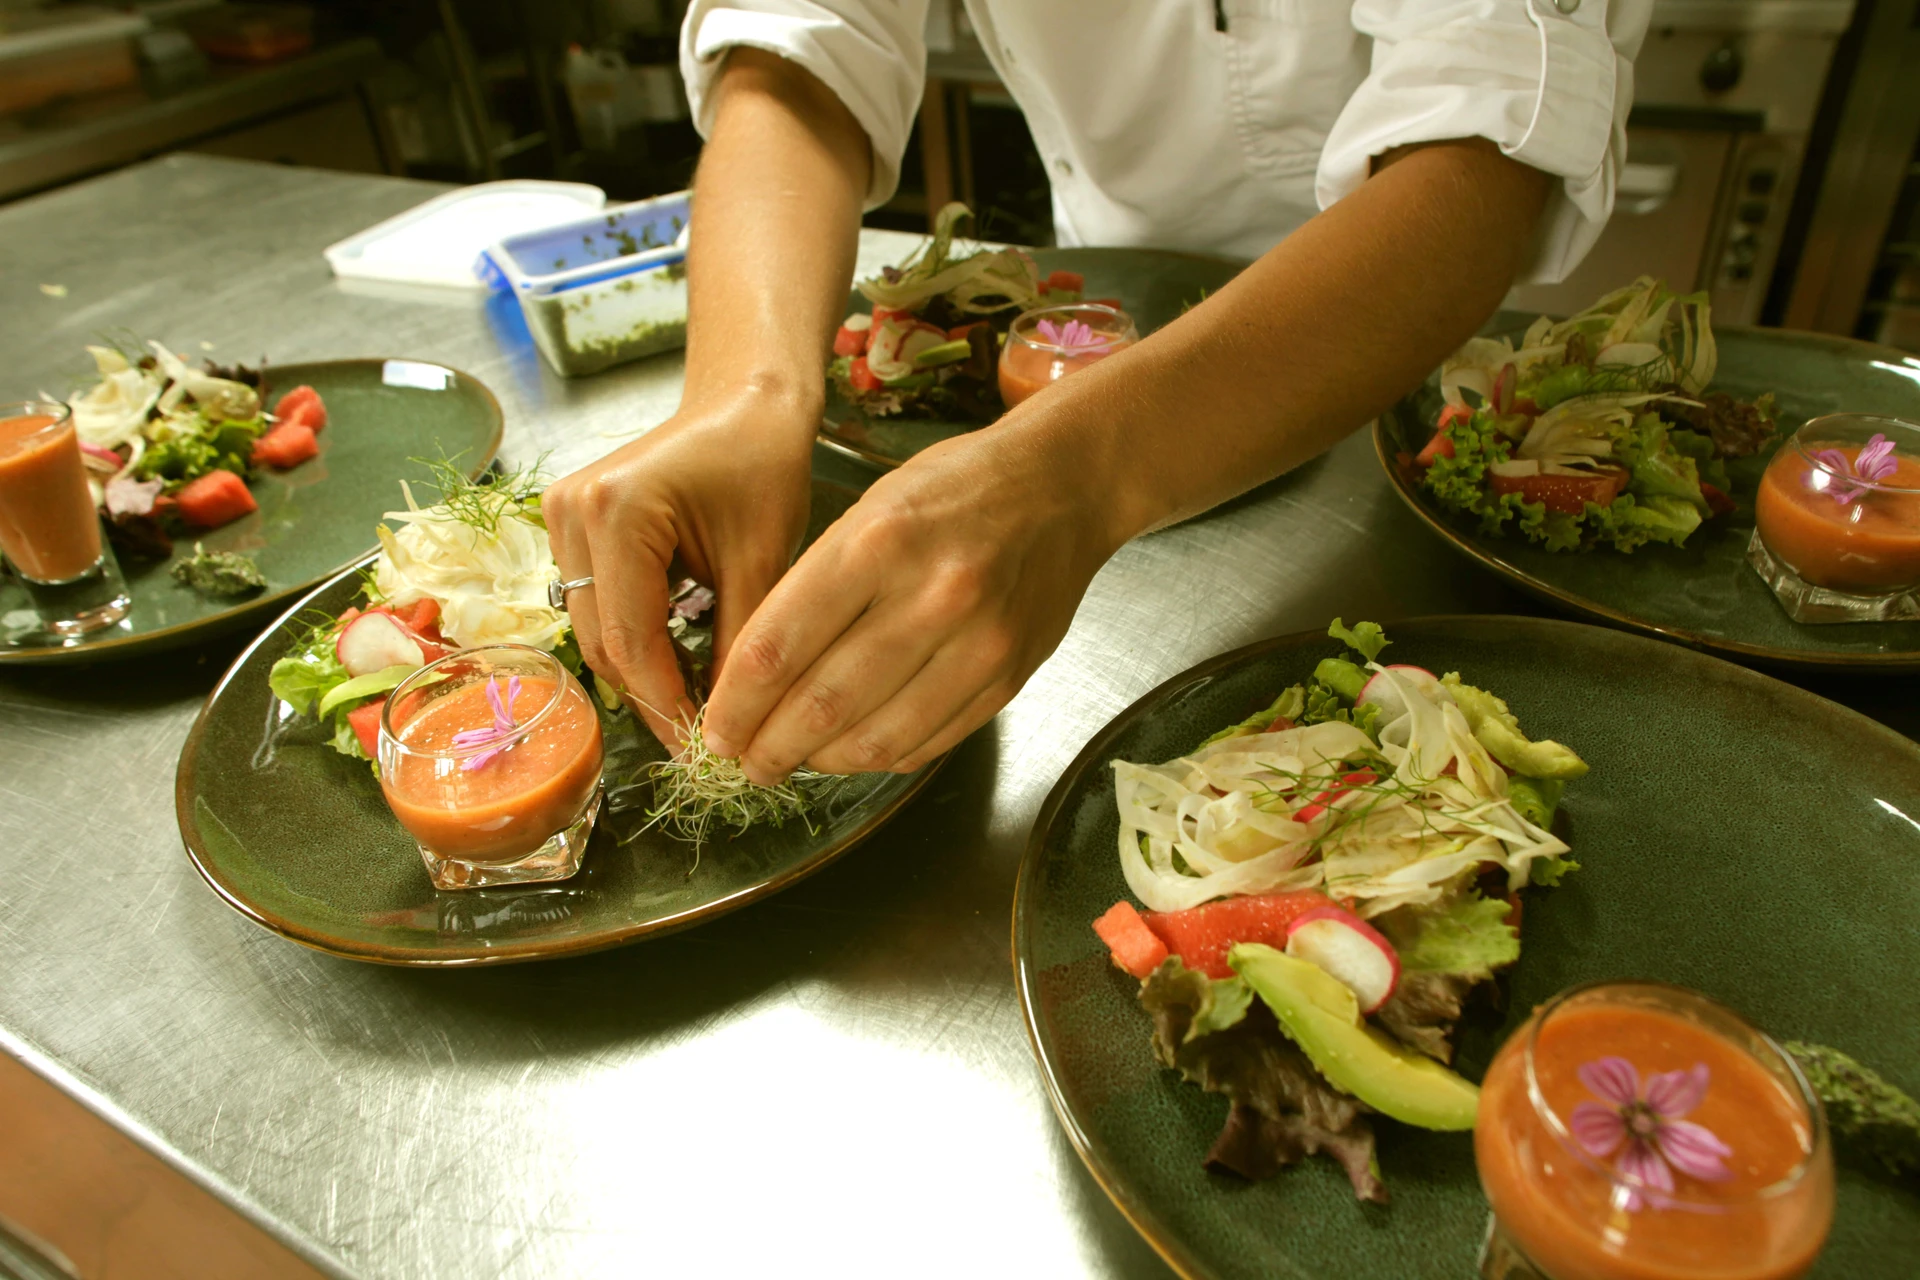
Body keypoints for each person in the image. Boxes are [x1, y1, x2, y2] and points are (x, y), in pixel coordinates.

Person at [544, 0, 1652, 785]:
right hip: (1102, 332)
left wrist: (1078, 473)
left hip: (1413, 342)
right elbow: (798, 50)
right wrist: (746, 393)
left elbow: (1487, 148)